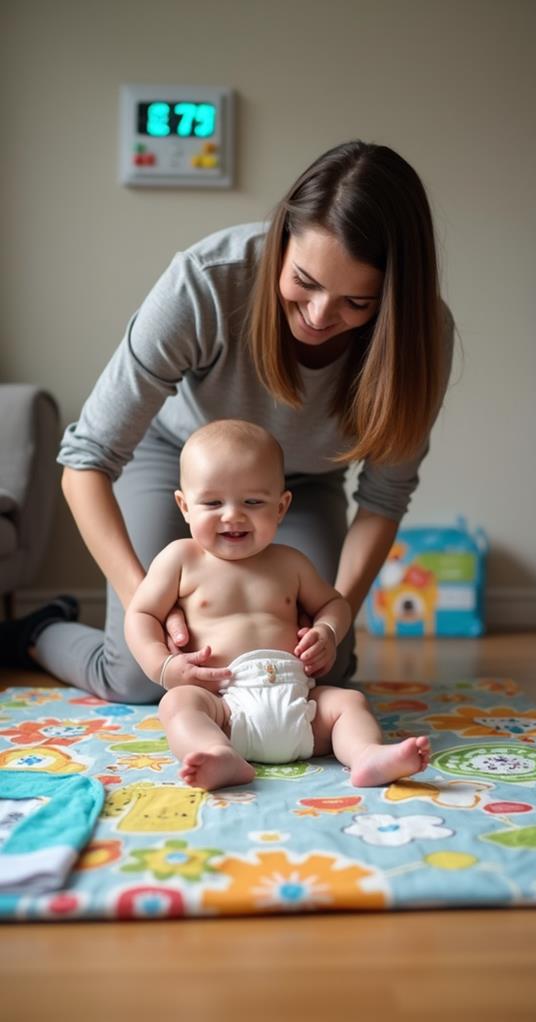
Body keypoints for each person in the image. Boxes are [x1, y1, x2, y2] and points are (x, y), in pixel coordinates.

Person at [0, 140, 454, 701]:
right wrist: (153, 609)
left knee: (320, 674)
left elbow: (384, 498)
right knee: (139, 674)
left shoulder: (421, 335)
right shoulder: (206, 282)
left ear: (391, 299)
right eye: (305, 284)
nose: (319, 317)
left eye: (356, 304)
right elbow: (84, 462)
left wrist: (329, 627)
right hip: (174, 462)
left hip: (303, 484)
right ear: (282, 239)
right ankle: (37, 631)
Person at [125, 419, 431, 790]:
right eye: (212, 502)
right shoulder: (180, 559)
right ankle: (218, 754)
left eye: (253, 502)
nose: (232, 515)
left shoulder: (291, 562)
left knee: (348, 703)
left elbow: (333, 604)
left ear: (281, 507)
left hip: (300, 704)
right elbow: (141, 614)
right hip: (223, 704)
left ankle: (366, 755)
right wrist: (163, 666)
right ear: (184, 506)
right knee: (178, 705)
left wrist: (327, 632)